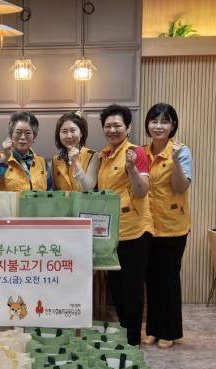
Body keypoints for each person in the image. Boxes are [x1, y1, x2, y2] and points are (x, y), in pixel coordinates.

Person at [78, 104, 154, 345]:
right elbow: (88, 187)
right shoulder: (102, 156)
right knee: (116, 289)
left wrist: (131, 168)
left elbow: (141, 191)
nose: (112, 130)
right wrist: (76, 165)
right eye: (108, 126)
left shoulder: (136, 153)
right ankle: (123, 334)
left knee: (132, 289)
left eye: (117, 125)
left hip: (135, 231)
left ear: (128, 128)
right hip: (111, 233)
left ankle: (133, 340)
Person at [142, 103, 192, 349]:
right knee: (151, 279)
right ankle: (152, 329)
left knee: (168, 279)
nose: (159, 126)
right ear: (147, 125)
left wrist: (175, 163)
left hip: (173, 226)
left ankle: (169, 331)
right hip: (147, 225)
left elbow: (181, 187)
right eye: (154, 121)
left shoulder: (181, 151)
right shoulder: (141, 152)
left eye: (164, 121)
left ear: (173, 125)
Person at [0, 111, 51, 192]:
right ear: (11, 135)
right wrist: (4, 160)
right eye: (18, 132)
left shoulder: (42, 162)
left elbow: (49, 190)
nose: (23, 137)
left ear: (34, 137)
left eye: (28, 133)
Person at [52, 110, 96, 191]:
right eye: (64, 131)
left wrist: (75, 162)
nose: (69, 136)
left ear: (81, 133)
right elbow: (55, 191)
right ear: (59, 135)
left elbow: (88, 189)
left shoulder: (93, 155)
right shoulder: (55, 160)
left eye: (73, 130)